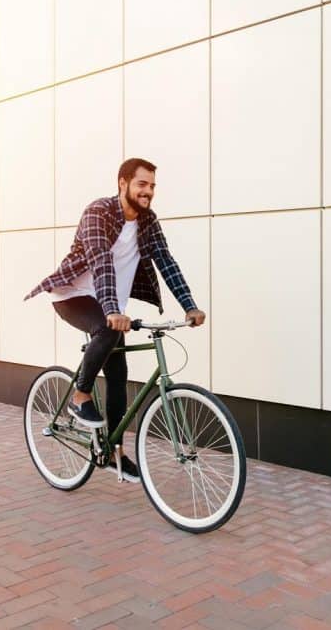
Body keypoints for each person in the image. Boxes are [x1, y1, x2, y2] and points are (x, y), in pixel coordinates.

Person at [25, 157, 206, 482]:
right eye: (142, 184)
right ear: (122, 183)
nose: (148, 191)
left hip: (110, 306)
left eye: (152, 186)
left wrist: (189, 306)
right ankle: (80, 397)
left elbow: (166, 262)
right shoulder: (99, 212)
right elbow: (102, 262)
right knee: (106, 332)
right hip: (73, 296)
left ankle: (113, 452)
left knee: (119, 373)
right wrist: (111, 311)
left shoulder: (148, 221)